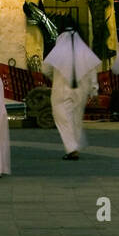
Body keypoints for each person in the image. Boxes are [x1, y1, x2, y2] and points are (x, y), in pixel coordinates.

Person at [41, 26, 100, 160]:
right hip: (81, 90)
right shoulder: (84, 51)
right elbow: (92, 72)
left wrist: (54, 77)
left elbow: (45, 69)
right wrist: (94, 91)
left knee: (62, 118)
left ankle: (71, 148)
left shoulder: (58, 51)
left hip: (61, 90)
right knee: (76, 118)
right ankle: (76, 144)